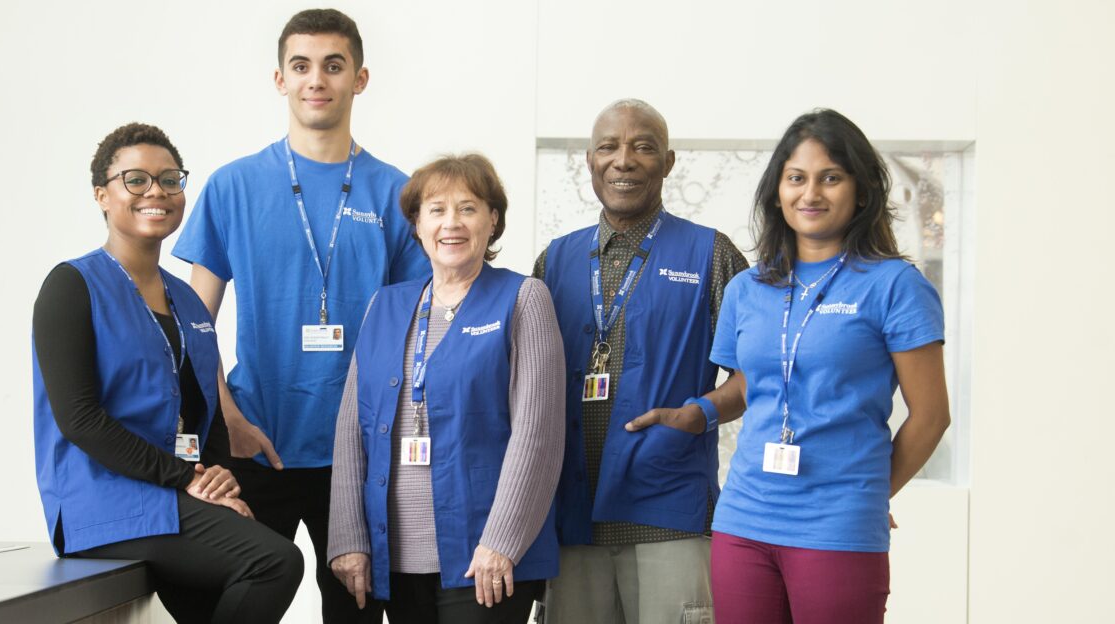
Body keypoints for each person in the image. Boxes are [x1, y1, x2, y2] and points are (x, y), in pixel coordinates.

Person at [171, 8, 429, 621]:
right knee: (236, 604)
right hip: (254, 440)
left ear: (359, 79)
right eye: (303, 66)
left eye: (334, 66)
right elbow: (191, 327)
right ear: (280, 79)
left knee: (357, 611)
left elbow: (417, 334)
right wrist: (226, 413)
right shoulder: (234, 186)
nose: (318, 79)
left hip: (358, 452)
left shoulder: (396, 194)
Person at [32, 123, 303, 624]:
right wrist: (189, 481)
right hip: (106, 504)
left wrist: (221, 480)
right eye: (135, 179)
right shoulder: (72, 286)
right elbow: (79, 419)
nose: (156, 191)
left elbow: (206, 414)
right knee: (274, 562)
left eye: (169, 179)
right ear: (102, 195)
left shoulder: (189, 302)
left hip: (175, 498)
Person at [708, 109, 950, 624]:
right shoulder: (746, 289)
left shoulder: (894, 286)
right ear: (778, 191)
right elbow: (754, 387)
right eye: (796, 178)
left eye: (830, 178)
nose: (810, 193)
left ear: (860, 191)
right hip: (743, 520)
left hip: (837, 526)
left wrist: (867, 491)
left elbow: (931, 416)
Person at [534, 99, 750, 624]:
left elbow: (757, 374)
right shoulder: (553, 261)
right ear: (589, 160)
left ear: (668, 162)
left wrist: (700, 412)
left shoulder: (712, 255)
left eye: (643, 147)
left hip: (669, 513)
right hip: (570, 518)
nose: (623, 160)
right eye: (608, 146)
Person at [328, 154, 565, 623]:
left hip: (484, 558)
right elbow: (351, 427)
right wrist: (348, 537)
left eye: (468, 208)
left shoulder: (523, 298)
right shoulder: (387, 303)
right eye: (436, 209)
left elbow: (537, 437)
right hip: (395, 557)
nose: (450, 223)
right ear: (417, 224)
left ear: (492, 220)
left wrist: (502, 541)